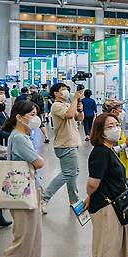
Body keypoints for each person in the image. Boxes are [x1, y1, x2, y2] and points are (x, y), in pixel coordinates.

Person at [69, 113, 128, 257]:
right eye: (110, 126)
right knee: (105, 247)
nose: (115, 128)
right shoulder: (99, 152)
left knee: (115, 245)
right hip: (106, 206)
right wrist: (89, 196)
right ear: (101, 132)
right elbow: (92, 184)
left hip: (116, 203)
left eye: (116, 124)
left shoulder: (109, 149)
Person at [0, 100, 46, 257]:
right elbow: (39, 162)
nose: (35, 117)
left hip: (29, 189)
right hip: (24, 193)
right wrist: (37, 160)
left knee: (33, 238)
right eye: (32, 113)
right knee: (23, 239)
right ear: (19, 116)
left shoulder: (21, 135)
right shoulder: (19, 138)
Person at [41, 83, 84, 213]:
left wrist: (80, 109)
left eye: (67, 89)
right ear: (55, 93)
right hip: (65, 144)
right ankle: (44, 198)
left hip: (72, 142)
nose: (66, 91)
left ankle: (74, 199)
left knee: (73, 173)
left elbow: (79, 118)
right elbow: (69, 115)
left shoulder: (66, 104)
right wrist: (75, 99)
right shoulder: (56, 106)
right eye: (63, 89)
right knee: (68, 173)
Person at [102, 99, 128, 182]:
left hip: (123, 166)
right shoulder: (108, 129)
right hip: (116, 169)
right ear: (114, 111)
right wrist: (125, 144)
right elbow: (109, 151)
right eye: (120, 108)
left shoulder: (117, 125)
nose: (122, 111)